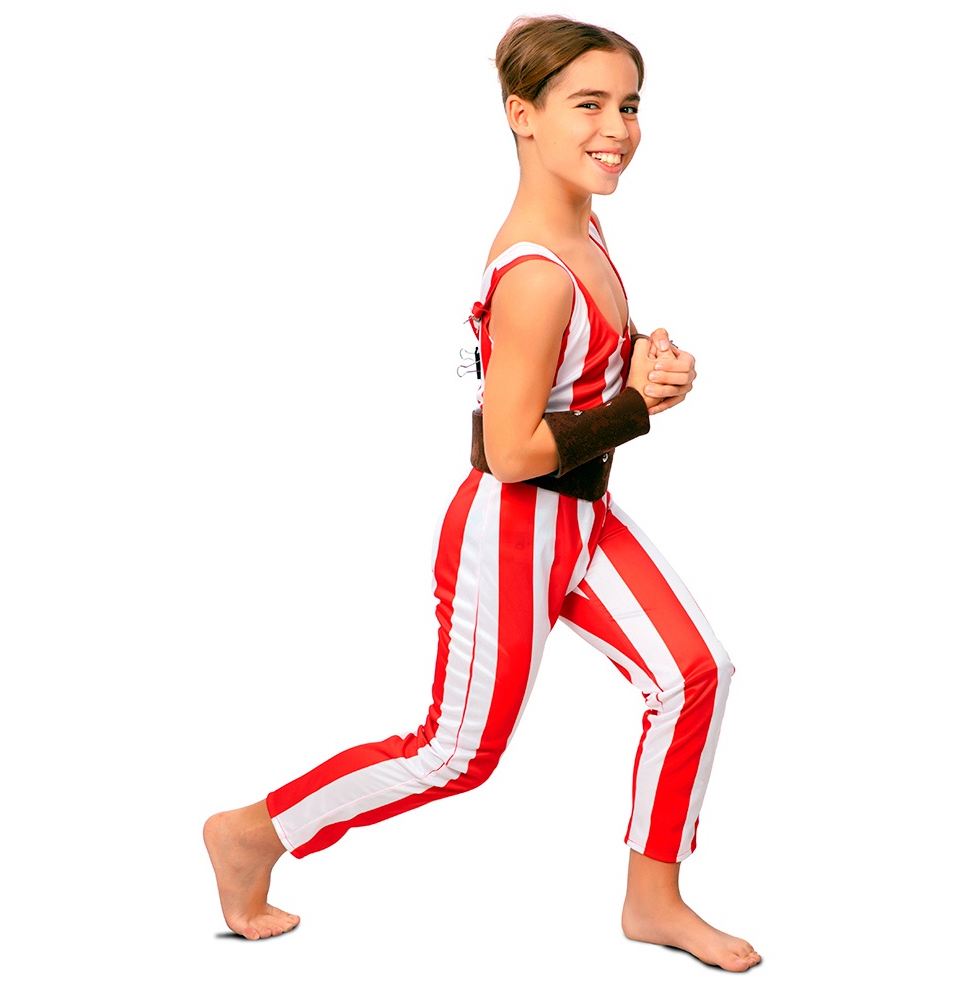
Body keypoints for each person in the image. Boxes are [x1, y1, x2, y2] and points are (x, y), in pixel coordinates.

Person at [205, 15, 760, 972]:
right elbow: (509, 451)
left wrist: (640, 358)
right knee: (454, 754)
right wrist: (638, 406)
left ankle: (653, 898)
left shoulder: (584, 230)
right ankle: (253, 832)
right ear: (521, 115)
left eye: (629, 104)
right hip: (512, 529)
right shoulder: (536, 274)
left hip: (582, 515)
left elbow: (568, 375)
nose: (617, 129)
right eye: (588, 105)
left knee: (693, 671)